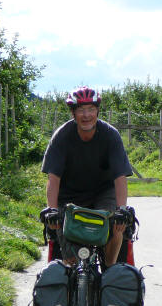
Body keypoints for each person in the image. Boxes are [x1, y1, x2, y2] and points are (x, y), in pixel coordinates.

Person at [41, 86, 132, 267]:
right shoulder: (62, 136)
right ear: (73, 113)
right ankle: (71, 272)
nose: (86, 115)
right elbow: (53, 178)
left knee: (116, 225)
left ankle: (109, 270)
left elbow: (120, 177)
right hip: (69, 195)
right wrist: (52, 210)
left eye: (90, 109)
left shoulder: (110, 135)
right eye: (81, 110)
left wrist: (121, 209)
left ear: (97, 111)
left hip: (103, 192)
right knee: (61, 232)